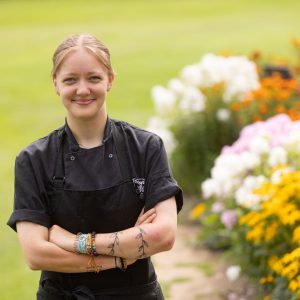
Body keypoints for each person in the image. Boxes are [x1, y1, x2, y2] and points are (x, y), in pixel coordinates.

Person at [7, 33, 183, 300]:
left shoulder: (146, 147)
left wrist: (73, 242)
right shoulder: (33, 160)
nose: (82, 89)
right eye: (70, 80)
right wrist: (121, 257)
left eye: (94, 78)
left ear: (110, 79)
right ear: (55, 83)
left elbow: (163, 236)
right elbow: (35, 254)